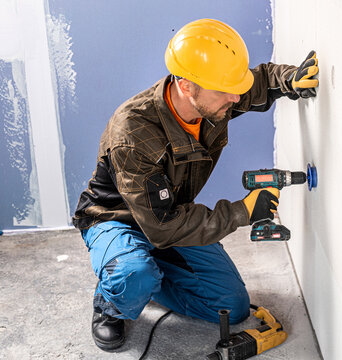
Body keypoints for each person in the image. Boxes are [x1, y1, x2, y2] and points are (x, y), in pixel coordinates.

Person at [72, 18, 319, 351]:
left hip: (168, 215)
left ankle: (143, 275)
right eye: (224, 90)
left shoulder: (210, 98)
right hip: (116, 220)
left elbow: (256, 83)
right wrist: (242, 212)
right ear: (186, 85)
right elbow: (161, 228)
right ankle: (113, 299)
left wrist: (288, 80)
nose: (235, 97)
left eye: (234, 86)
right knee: (133, 275)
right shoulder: (132, 132)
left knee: (232, 308)